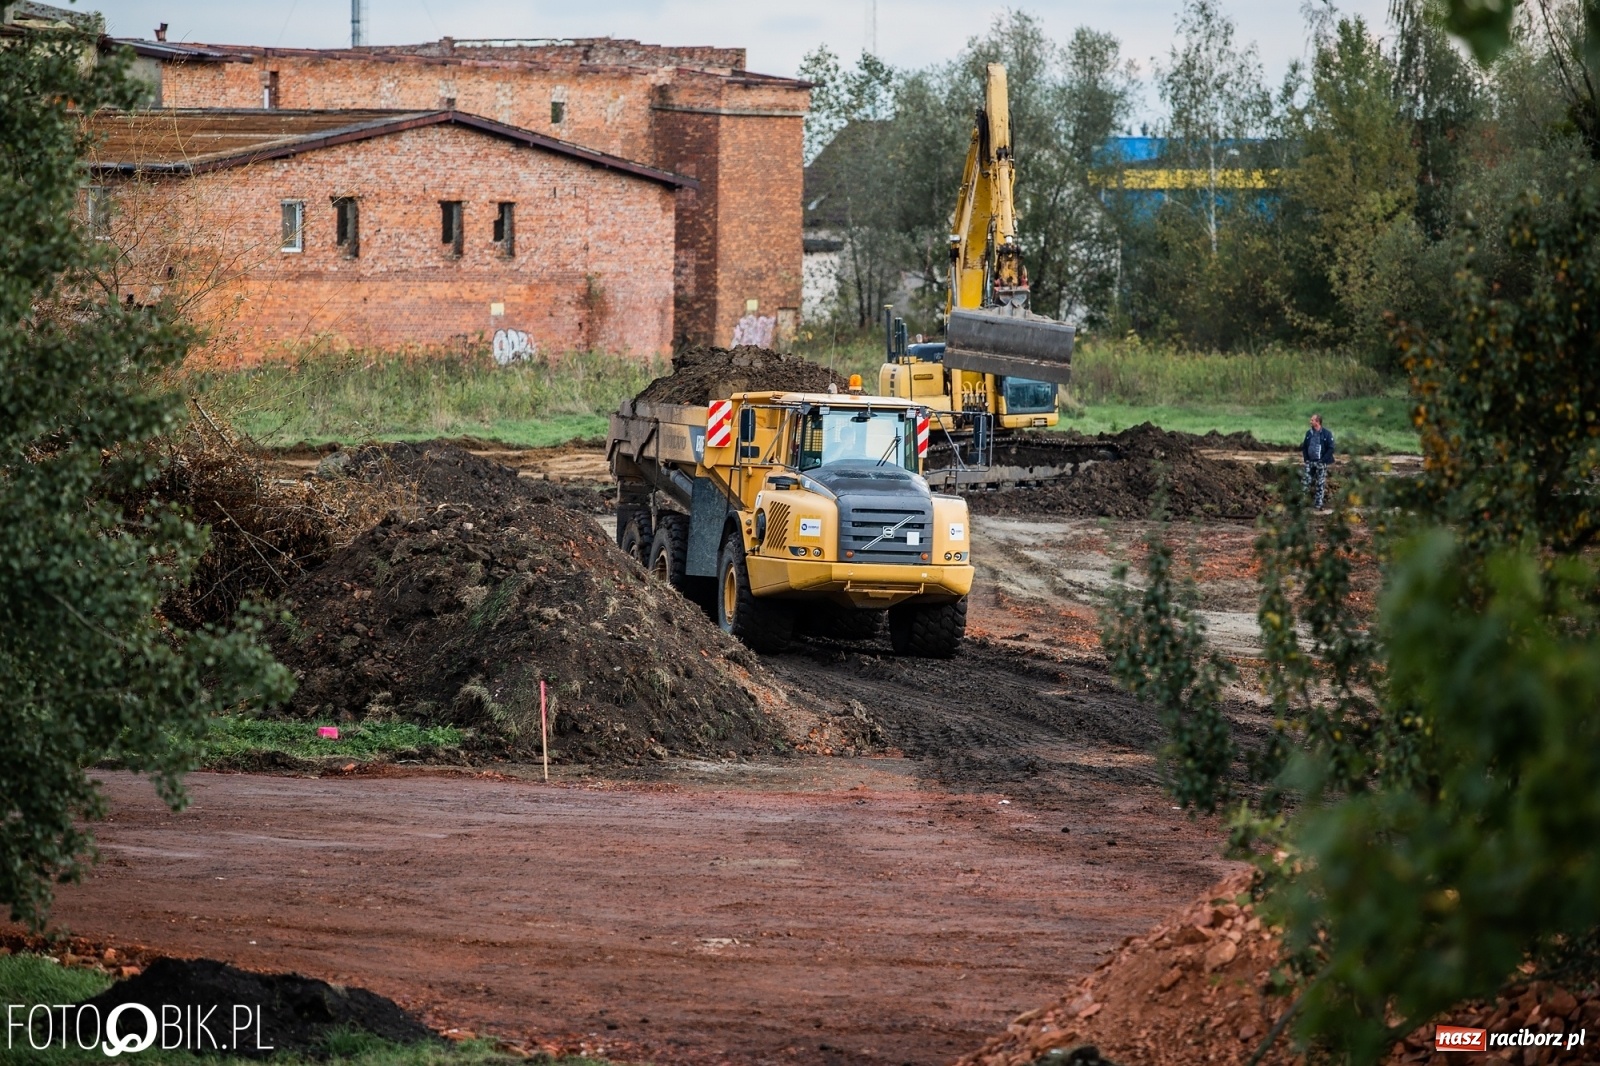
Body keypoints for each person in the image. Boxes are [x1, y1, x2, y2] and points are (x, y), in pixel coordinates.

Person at [1301, 413, 1335, 510]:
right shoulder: (1309, 433)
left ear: (1317, 422)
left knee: (1320, 483)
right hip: (1310, 462)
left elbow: (1331, 448)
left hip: (1321, 462)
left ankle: (1318, 503)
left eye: (1312, 420)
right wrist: (1306, 459)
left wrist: (1323, 460)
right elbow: (1304, 447)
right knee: (1305, 481)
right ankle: (1303, 502)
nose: (1310, 421)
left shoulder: (1327, 434)